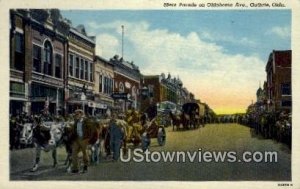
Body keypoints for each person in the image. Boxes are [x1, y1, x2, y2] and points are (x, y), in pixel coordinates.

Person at [70, 109, 92, 173]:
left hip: (84, 139)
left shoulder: (86, 121)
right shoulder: (76, 121)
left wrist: (88, 139)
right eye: (75, 114)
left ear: (81, 114)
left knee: (85, 153)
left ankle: (85, 166)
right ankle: (75, 168)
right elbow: (74, 130)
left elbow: (90, 130)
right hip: (76, 139)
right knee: (74, 153)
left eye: (77, 114)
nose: (76, 115)